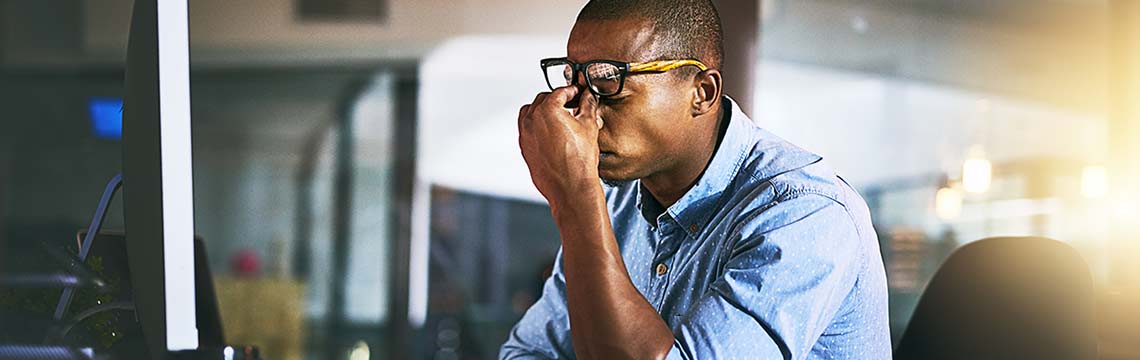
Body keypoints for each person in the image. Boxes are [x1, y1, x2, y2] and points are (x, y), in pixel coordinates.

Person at [502, 0, 891, 358]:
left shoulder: (806, 214)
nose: (581, 115)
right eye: (575, 82)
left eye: (610, 83)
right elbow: (529, 351)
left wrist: (573, 198)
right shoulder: (615, 202)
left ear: (702, 92)